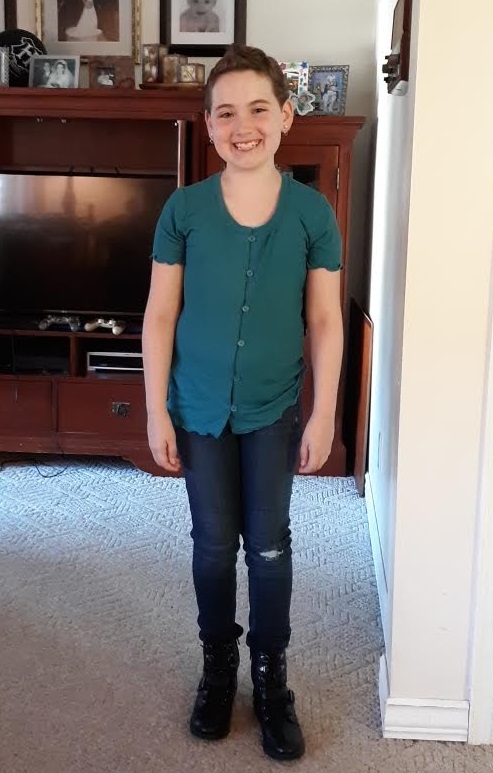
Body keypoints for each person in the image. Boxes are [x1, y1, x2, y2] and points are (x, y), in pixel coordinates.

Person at [142, 44, 343, 761]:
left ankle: (271, 678)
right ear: (208, 126)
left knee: (268, 545)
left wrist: (324, 412)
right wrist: (154, 410)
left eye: (258, 109)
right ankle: (219, 667)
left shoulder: (312, 212)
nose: (242, 126)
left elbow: (325, 319)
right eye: (225, 113)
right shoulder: (184, 210)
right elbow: (160, 313)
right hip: (197, 408)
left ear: (285, 116)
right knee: (211, 544)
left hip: (272, 408)